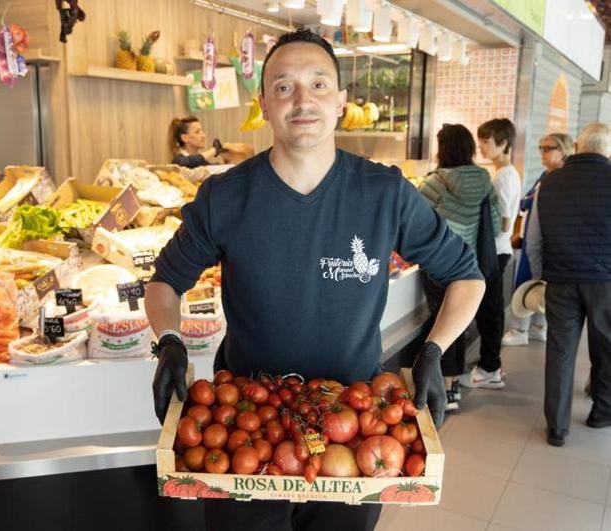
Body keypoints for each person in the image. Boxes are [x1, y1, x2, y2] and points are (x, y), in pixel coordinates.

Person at [147, 29, 485, 531]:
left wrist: (433, 351)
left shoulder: (384, 193)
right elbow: (165, 282)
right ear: (263, 104)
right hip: (247, 424)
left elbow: (466, 277)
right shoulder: (225, 197)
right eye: (284, 86)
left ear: (343, 101)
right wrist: (169, 341)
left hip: (353, 422)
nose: (302, 99)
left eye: (319, 84)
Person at [526, 122, 611, 447]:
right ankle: (602, 411)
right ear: (606, 150)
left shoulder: (549, 182)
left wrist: (539, 278)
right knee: (606, 348)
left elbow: (534, 238)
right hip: (605, 281)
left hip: (561, 279)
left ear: (577, 145)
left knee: (560, 351)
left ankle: (557, 427)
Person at [419, 124, 501, 410]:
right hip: (470, 265)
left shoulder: (434, 183)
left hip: (439, 263)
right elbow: (499, 221)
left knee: (440, 323)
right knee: (459, 323)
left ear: (443, 149)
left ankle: (443, 388)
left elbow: (413, 225)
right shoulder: (484, 180)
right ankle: (453, 388)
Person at [457, 118, 521, 390]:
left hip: (494, 252)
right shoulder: (504, 173)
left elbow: (505, 221)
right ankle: (490, 364)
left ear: (503, 143)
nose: (481, 147)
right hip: (495, 251)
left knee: (489, 311)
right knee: (489, 310)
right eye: (480, 141)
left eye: (486, 142)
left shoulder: (504, 177)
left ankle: (489, 369)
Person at [502, 133, 574, 347]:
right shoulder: (546, 175)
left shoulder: (560, 179)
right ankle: (536, 327)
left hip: (542, 242)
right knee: (536, 282)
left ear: (563, 150)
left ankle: (521, 328)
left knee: (531, 282)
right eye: (540, 147)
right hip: (532, 239)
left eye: (548, 148)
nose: (542, 153)